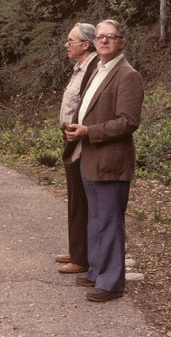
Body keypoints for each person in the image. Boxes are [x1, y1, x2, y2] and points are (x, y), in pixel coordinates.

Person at [63, 19, 144, 302]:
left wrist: (89, 132)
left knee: (109, 222)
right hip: (90, 158)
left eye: (111, 36)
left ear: (122, 41)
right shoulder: (98, 69)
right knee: (96, 220)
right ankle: (97, 270)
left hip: (111, 161)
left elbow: (128, 122)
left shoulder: (127, 74)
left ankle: (111, 283)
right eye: (100, 36)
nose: (104, 41)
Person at [56, 23, 99, 274]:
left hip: (82, 141)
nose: (66, 44)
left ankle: (81, 258)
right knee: (74, 197)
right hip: (72, 138)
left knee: (81, 200)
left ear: (85, 44)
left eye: (70, 40)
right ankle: (77, 251)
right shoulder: (80, 67)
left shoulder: (93, 68)